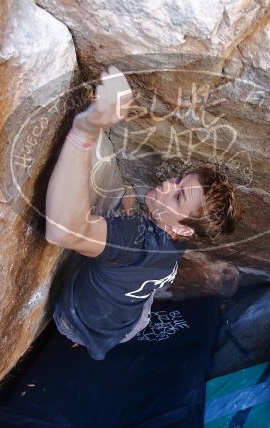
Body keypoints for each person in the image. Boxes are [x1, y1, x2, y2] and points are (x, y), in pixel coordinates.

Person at [45, 65, 239, 360]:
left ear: (183, 229)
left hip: (78, 325)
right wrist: (129, 207)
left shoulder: (134, 238)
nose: (165, 185)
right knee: (142, 302)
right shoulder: (175, 241)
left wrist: (86, 130)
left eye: (177, 196)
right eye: (177, 180)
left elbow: (63, 231)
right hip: (129, 321)